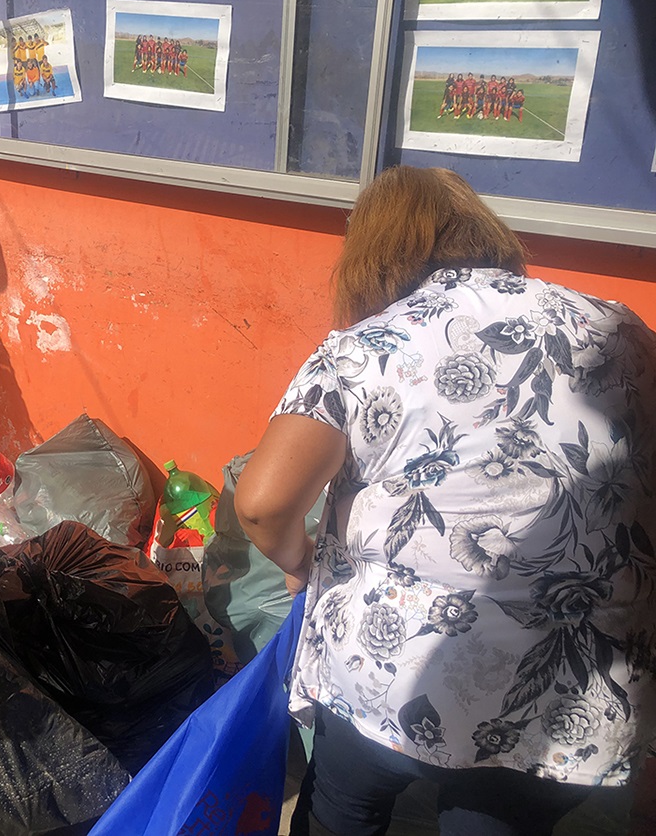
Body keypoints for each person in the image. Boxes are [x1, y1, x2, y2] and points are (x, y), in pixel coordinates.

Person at [234, 166, 656, 835]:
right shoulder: (622, 330)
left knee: (343, 808)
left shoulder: (365, 348)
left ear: (372, 256)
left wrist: (299, 563)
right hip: (568, 686)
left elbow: (261, 503)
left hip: (390, 669)